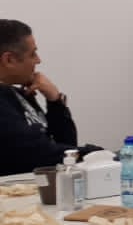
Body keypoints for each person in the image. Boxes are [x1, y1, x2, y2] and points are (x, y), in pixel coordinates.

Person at [0, 20, 85, 176]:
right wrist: (93, 153)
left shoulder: (19, 94)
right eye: (32, 54)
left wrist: (54, 100)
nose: (38, 60)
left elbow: (66, 147)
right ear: (9, 60)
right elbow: (40, 154)